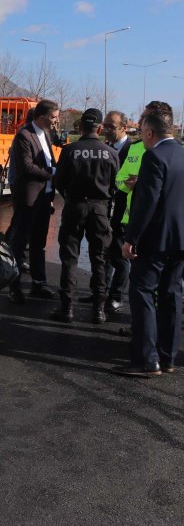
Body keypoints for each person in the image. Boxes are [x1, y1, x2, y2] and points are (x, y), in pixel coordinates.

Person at [116, 105, 184, 377]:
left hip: (155, 240)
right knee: (172, 295)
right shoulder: (182, 154)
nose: (141, 136)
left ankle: (146, 359)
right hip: (180, 240)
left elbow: (147, 203)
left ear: (150, 131)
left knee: (142, 292)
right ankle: (168, 358)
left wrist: (131, 238)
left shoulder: (154, 157)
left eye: (143, 131)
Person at [52, 108, 119, 323]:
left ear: (80, 127)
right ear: (99, 128)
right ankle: (99, 310)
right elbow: (116, 184)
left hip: (75, 206)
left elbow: (59, 182)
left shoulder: (70, 150)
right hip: (100, 209)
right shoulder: (111, 153)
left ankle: (67, 308)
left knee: (69, 258)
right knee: (99, 259)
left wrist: (70, 196)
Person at [5, 99, 60, 303]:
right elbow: (27, 168)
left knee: (39, 243)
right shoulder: (23, 135)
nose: (56, 121)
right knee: (20, 244)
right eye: (54, 117)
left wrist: (51, 194)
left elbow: (48, 160)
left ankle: (39, 283)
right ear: (41, 116)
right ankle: (14, 285)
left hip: (44, 198)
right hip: (28, 200)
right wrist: (53, 173)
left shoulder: (46, 134)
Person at [81, 110, 132, 314]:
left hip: (123, 213)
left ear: (124, 128)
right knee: (103, 254)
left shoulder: (133, 150)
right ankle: (99, 292)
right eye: (106, 125)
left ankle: (116, 297)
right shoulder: (106, 148)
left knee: (120, 257)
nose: (107, 130)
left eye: (112, 126)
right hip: (104, 212)